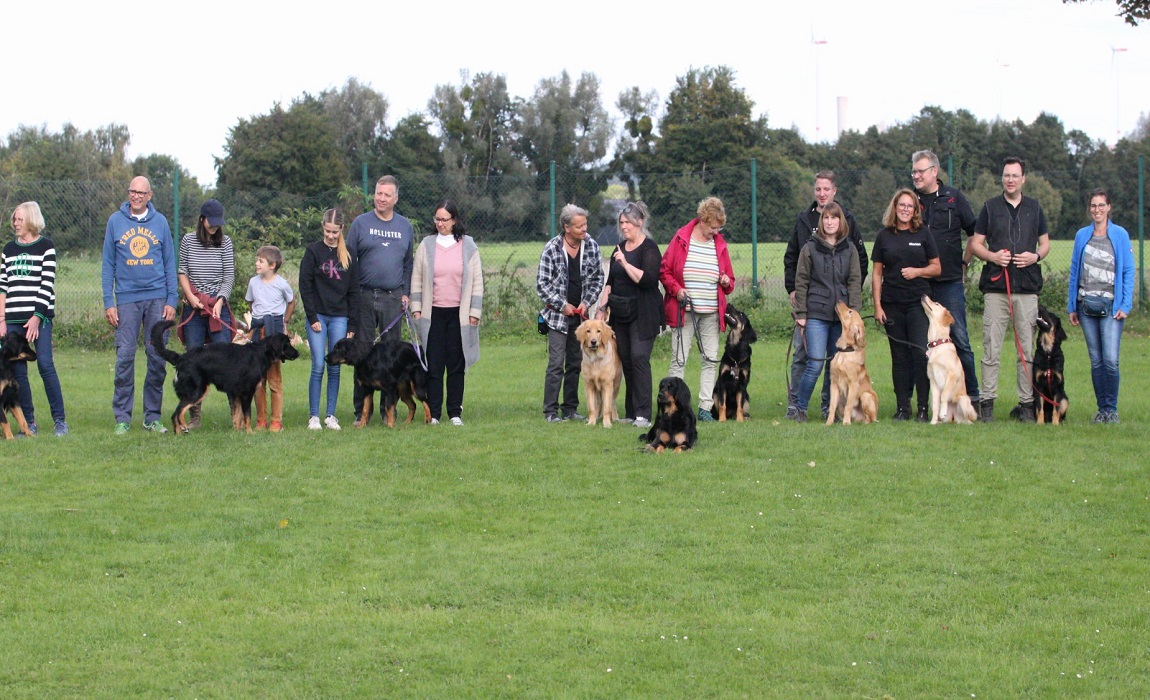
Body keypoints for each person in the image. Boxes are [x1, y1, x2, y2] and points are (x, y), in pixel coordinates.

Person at [968, 157, 1050, 422]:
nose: (1010, 180)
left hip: (1027, 288)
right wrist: (992, 257)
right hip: (996, 288)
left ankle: (1027, 405)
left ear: (1023, 178)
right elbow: (976, 244)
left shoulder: (1035, 208)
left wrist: (1034, 257)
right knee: (991, 348)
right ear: (1001, 178)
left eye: (1015, 175)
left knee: (1026, 350)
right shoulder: (989, 208)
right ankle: (987, 405)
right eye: (1006, 175)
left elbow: (1045, 245)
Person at [783, 170, 868, 419]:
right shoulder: (809, 244)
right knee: (815, 362)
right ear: (821, 222)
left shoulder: (849, 248)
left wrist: (854, 313)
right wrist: (800, 312)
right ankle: (798, 407)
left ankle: (829, 408)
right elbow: (800, 278)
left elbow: (855, 278)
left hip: (840, 316)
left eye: (835, 218)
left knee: (835, 365)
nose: (830, 222)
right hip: (815, 313)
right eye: (826, 219)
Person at [101, 176, 178, 435]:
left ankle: (152, 417)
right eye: (132, 191)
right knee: (124, 358)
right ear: (128, 193)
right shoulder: (115, 221)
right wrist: (109, 302)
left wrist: (171, 300)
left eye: (141, 193)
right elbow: (107, 265)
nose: (136, 196)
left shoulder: (161, 222)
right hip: (126, 299)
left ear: (150, 195)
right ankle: (122, 418)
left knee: (157, 357)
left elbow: (169, 263)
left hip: (157, 298)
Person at [912, 150, 980, 406]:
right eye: (914, 171)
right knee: (920, 345)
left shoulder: (954, 198)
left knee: (960, 338)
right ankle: (920, 404)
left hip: (950, 281)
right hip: (920, 284)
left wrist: (965, 263)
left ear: (934, 172)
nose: (916, 176)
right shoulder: (909, 199)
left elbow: (976, 234)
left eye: (920, 171)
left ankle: (973, 397)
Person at [346, 175, 414, 424]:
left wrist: (405, 292)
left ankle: (390, 412)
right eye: (378, 193)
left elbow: (408, 263)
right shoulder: (360, 224)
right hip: (364, 295)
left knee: (391, 358)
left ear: (395, 198)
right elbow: (349, 262)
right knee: (360, 355)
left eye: (387, 194)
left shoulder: (405, 226)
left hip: (392, 297)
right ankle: (360, 413)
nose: (381, 198)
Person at [661, 196, 735, 423]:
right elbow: (665, 271)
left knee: (710, 359)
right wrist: (677, 290)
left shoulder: (720, 244)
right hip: (685, 310)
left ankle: (705, 407)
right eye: (713, 227)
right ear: (703, 220)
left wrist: (724, 281)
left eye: (719, 227)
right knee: (679, 359)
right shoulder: (682, 238)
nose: (716, 231)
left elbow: (730, 283)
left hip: (712, 312)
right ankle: (673, 404)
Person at [411, 200, 484, 426]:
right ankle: (433, 414)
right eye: (437, 219)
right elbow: (416, 278)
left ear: (454, 220)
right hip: (432, 315)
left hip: (458, 316)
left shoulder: (468, 245)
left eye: (444, 219)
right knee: (433, 365)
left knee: (455, 365)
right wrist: (416, 309)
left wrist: (474, 312)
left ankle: (454, 412)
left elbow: (477, 282)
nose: (440, 223)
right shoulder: (426, 245)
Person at [872, 188, 941, 422]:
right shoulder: (884, 236)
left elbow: (937, 267)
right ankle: (903, 407)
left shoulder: (924, 234)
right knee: (899, 357)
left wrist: (917, 272)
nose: (905, 209)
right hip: (892, 304)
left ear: (915, 210)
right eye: (901, 205)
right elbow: (876, 274)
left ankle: (923, 408)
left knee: (921, 354)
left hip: (918, 304)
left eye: (909, 206)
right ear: (895, 207)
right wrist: (877, 306)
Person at [0, 202, 67, 436]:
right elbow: (2, 286)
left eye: (19, 219)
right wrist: (1, 320)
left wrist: (38, 317)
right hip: (13, 319)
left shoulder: (46, 247)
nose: (15, 223)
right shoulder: (8, 249)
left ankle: (60, 420)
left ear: (31, 219)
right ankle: (29, 423)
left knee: (45, 365)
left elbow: (46, 284)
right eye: (14, 219)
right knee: (18, 373)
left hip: (39, 318)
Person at [1067, 189, 1134, 424]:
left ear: (1109, 207)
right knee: (1096, 360)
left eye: (1101, 205)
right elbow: (1075, 271)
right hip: (1086, 305)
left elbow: (1127, 271)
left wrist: (1125, 304)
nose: (1097, 209)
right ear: (1090, 209)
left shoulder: (1120, 235)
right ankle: (1101, 409)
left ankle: (1111, 410)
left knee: (1111, 360)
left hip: (1111, 307)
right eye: (1093, 205)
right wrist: (1071, 306)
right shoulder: (1081, 236)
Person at [596, 201, 661, 429]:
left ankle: (644, 414)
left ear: (639, 222)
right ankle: (632, 412)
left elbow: (647, 280)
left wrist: (624, 262)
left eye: (628, 223)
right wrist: (602, 309)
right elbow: (610, 282)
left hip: (644, 313)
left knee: (639, 358)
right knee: (626, 361)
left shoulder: (649, 248)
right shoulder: (619, 247)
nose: (624, 227)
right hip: (620, 314)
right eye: (621, 223)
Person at [537, 204, 604, 423]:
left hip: (582, 319)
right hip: (557, 317)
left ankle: (570, 409)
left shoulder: (592, 246)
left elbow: (597, 279)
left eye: (585, 224)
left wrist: (586, 302)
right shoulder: (551, 248)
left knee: (576, 363)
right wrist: (561, 304)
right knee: (556, 363)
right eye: (579, 226)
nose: (585, 229)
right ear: (567, 227)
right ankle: (550, 411)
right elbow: (542, 285)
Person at [299, 208, 359, 431]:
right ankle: (314, 416)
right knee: (317, 365)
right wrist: (312, 316)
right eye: (327, 231)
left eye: (335, 231)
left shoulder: (349, 254)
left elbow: (354, 291)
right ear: (322, 227)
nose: (331, 235)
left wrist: (352, 324)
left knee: (335, 366)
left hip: (340, 317)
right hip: (318, 317)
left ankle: (330, 415)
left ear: (342, 229)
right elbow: (305, 286)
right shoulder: (313, 251)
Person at [245, 245, 295, 432]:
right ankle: (260, 420)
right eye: (257, 260)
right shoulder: (253, 282)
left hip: (274, 333)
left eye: (260, 261)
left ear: (272, 265)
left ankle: (276, 421)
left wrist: (285, 322)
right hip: (259, 332)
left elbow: (291, 301)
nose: (256, 263)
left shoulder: (281, 284)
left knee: (274, 378)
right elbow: (251, 302)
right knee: (258, 379)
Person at [178, 198, 235, 348]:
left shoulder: (225, 242)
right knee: (194, 357)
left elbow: (228, 276)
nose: (215, 226)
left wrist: (220, 301)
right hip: (194, 306)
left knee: (224, 356)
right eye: (212, 222)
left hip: (217, 307)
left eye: (218, 223)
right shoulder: (188, 240)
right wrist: (190, 297)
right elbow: (182, 271)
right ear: (202, 219)